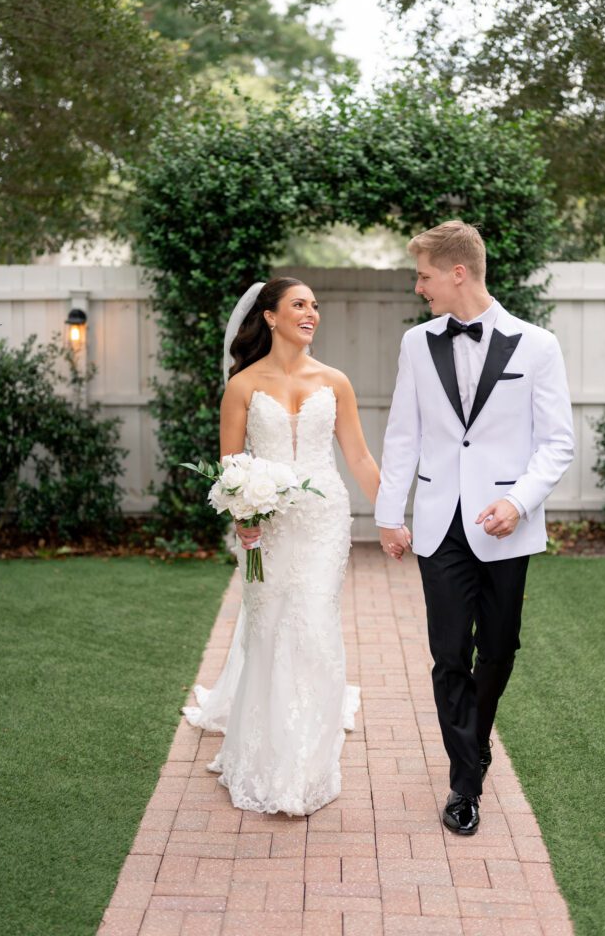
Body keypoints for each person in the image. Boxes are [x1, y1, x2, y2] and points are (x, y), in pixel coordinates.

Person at [376, 221, 574, 836]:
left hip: (504, 528)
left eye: (425, 275)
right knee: (448, 655)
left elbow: (558, 443)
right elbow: (403, 433)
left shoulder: (537, 346)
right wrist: (389, 512)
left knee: (499, 649)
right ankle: (466, 783)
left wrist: (518, 502)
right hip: (440, 526)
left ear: (458, 272)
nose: (420, 287)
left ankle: (473, 741)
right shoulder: (417, 344)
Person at [182, 276, 391, 816]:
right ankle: (264, 754)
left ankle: (309, 761)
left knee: (315, 626)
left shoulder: (336, 381)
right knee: (271, 627)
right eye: (299, 304)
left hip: (323, 522)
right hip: (266, 528)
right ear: (270, 317)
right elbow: (231, 466)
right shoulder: (243, 386)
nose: (311, 313)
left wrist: (392, 517)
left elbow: (361, 459)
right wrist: (242, 519)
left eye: (315, 305)